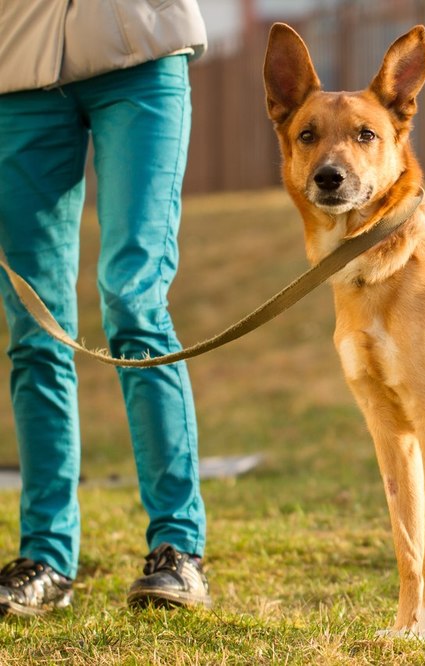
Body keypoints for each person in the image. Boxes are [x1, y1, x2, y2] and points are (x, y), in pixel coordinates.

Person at [0, 1, 211, 616]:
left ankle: (178, 547)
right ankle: (46, 557)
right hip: (17, 66)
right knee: (34, 322)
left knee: (133, 299)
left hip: (140, 48)